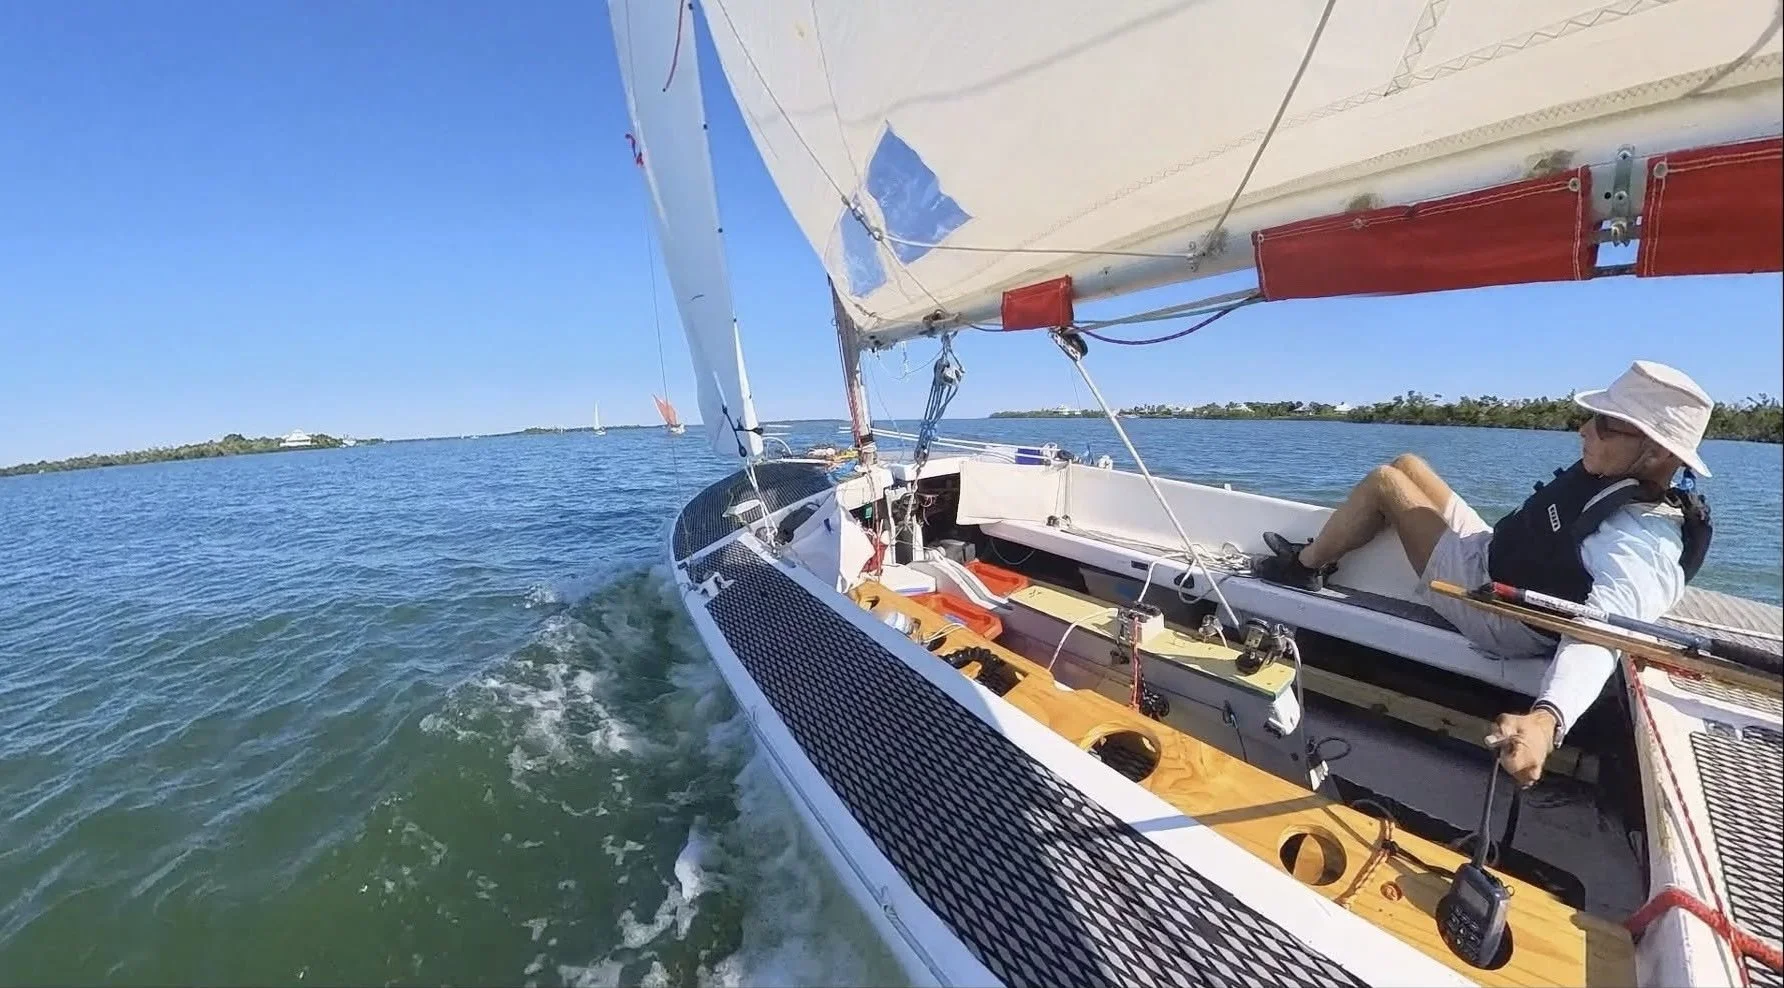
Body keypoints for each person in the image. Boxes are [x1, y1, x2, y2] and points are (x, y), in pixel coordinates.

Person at [1254, 361, 1714, 786]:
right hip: (1496, 554)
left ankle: (1303, 567)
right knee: (1408, 465)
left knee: (1385, 483)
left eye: (1606, 424)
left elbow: (1602, 634)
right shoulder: (1624, 478)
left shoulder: (1639, 542)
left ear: (1656, 455)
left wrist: (1546, 719)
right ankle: (1329, 546)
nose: (1585, 429)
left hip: (1497, 608)